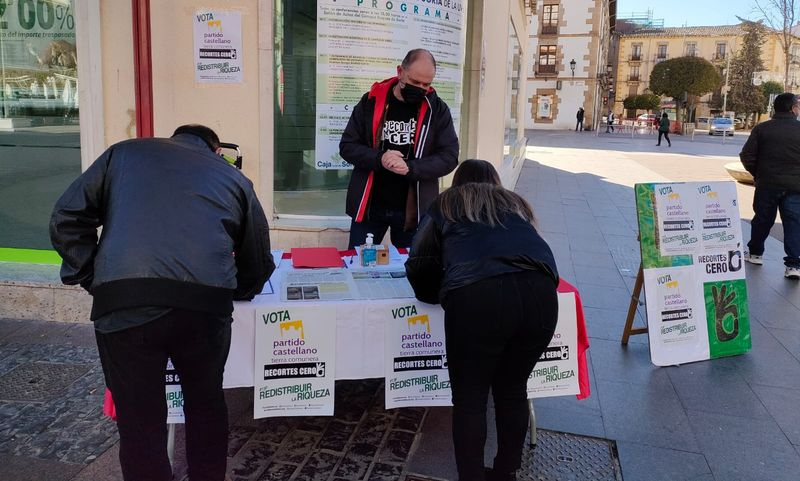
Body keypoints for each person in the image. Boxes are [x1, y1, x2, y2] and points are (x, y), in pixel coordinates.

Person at [50, 124, 276, 481]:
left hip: (125, 303)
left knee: (139, 419)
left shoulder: (123, 154)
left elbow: (66, 218)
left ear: (173, 139)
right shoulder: (232, 177)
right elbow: (257, 258)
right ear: (216, 150)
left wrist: (94, 277)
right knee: (205, 405)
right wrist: (236, 291)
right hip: (203, 307)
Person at [405, 159, 559, 481]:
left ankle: (471, 476)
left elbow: (420, 261)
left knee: (470, 397)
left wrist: (437, 293)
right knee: (514, 389)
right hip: (540, 295)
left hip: (478, 298)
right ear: (496, 180)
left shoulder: (446, 203)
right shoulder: (517, 205)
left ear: (458, 181)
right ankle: (506, 473)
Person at [340, 48, 459, 249]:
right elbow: (347, 146)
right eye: (415, 82)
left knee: (413, 273)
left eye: (427, 84)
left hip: (414, 211)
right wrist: (380, 158)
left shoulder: (437, 109)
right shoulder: (371, 101)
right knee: (359, 266)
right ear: (400, 72)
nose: (421, 88)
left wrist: (411, 168)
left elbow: (449, 156)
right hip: (370, 206)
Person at [740, 92, 800, 279]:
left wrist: (759, 174)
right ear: (792, 108)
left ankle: (756, 253)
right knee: (793, 224)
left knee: (762, 219)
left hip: (767, 184)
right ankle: (793, 265)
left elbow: (746, 156)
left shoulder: (762, 129)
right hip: (795, 187)